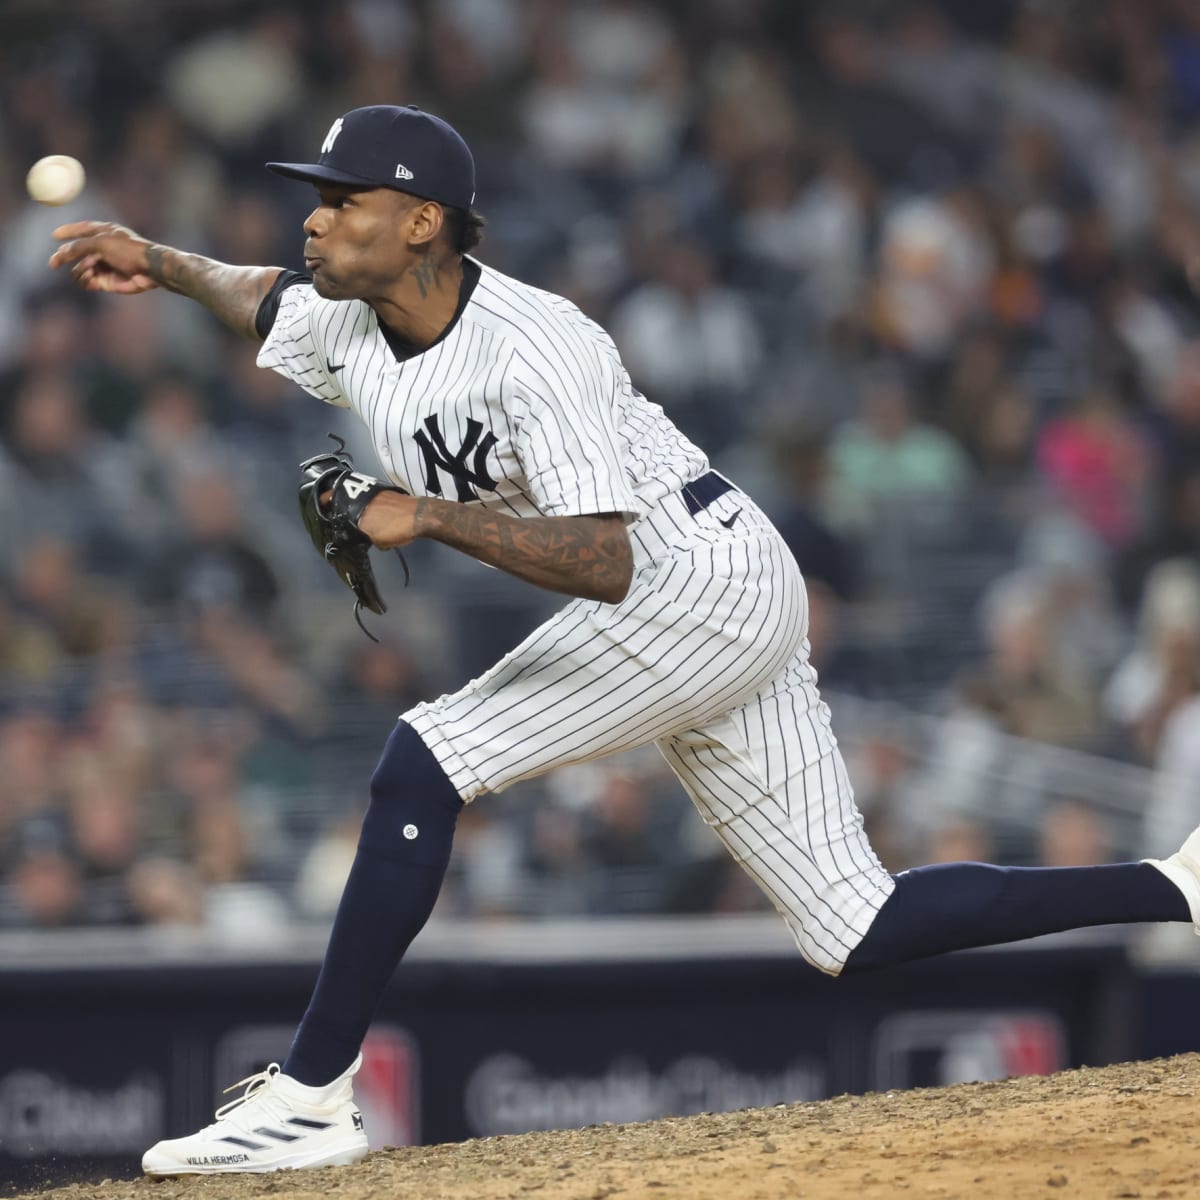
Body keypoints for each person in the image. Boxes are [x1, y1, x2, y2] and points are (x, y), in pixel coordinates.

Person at [49, 104, 1200, 1177]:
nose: (315, 214)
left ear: (421, 222)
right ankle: (1176, 883)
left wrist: (431, 516)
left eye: (345, 197)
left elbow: (608, 561)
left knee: (427, 753)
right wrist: (158, 261)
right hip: (707, 587)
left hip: (690, 577)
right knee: (853, 924)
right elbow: (253, 292)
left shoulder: (538, 346)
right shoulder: (346, 315)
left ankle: (310, 1091)